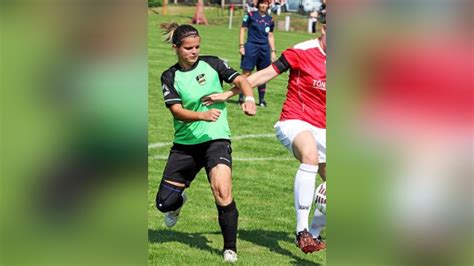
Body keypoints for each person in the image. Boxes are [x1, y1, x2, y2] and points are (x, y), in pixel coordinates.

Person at [203, 25, 327, 254]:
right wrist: (229, 93)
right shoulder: (302, 51)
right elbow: (264, 74)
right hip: (295, 120)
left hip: (326, 128)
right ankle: (302, 231)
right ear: (324, 29)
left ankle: (315, 235)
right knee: (309, 155)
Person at [156, 23, 257, 263]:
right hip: (185, 145)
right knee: (164, 203)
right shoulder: (170, 76)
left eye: (197, 47)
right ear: (176, 48)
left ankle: (229, 249)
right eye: (188, 48)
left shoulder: (212, 63)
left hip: (216, 138)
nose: (194, 52)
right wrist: (202, 114)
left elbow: (242, 80)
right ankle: (178, 202)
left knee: (222, 191)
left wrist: (249, 98)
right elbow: (177, 111)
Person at [238, 0, 276, 107]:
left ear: (268, 5)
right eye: (262, 3)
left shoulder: (270, 19)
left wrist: (273, 51)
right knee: (246, 73)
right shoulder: (250, 15)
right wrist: (241, 46)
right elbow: (243, 30)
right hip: (251, 46)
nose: (263, 5)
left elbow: (271, 35)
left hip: (264, 49)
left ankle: (262, 100)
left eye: (265, 4)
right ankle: (241, 97)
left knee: (263, 74)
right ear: (258, 4)